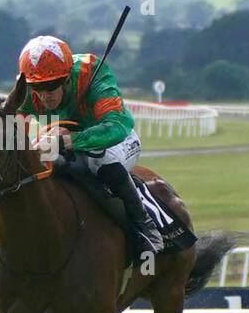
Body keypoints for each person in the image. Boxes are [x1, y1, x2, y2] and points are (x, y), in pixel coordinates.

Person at [17, 35, 163, 260]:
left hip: (117, 141)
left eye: (52, 85)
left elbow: (116, 126)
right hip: (66, 140)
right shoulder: (27, 90)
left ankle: (145, 226)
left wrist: (69, 141)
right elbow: (15, 131)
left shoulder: (92, 73)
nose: (46, 94)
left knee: (100, 160)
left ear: (66, 78)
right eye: (38, 87)